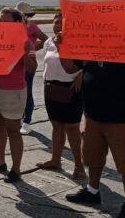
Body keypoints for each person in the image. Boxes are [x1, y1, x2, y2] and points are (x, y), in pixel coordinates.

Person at [59, 35, 125, 218]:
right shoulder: (89, 48)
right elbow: (70, 68)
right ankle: (92, 191)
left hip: (120, 118)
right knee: (92, 157)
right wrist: (61, 47)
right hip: (92, 115)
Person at [0, 7, 36, 183]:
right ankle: (0, 161)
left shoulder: (25, 41)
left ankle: (16, 169)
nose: (2, 24)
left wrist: (25, 52)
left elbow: (32, 68)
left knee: (13, 129)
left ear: (17, 23)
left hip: (13, 91)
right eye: (0, 21)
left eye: (7, 21)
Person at [36, 13, 85, 179]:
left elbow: (88, 62)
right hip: (51, 87)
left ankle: (79, 165)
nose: (58, 26)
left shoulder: (78, 42)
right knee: (56, 125)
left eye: (61, 23)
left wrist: (82, 74)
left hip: (71, 88)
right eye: (55, 23)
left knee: (72, 128)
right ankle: (55, 160)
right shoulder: (49, 42)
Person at [16, 1, 49, 134]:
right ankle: (17, 118)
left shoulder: (31, 27)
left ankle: (27, 121)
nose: (26, 17)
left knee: (27, 91)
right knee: (15, 91)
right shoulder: (11, 27)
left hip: (28, 61)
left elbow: (46, 40)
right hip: (14, 63)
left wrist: (33, 49)